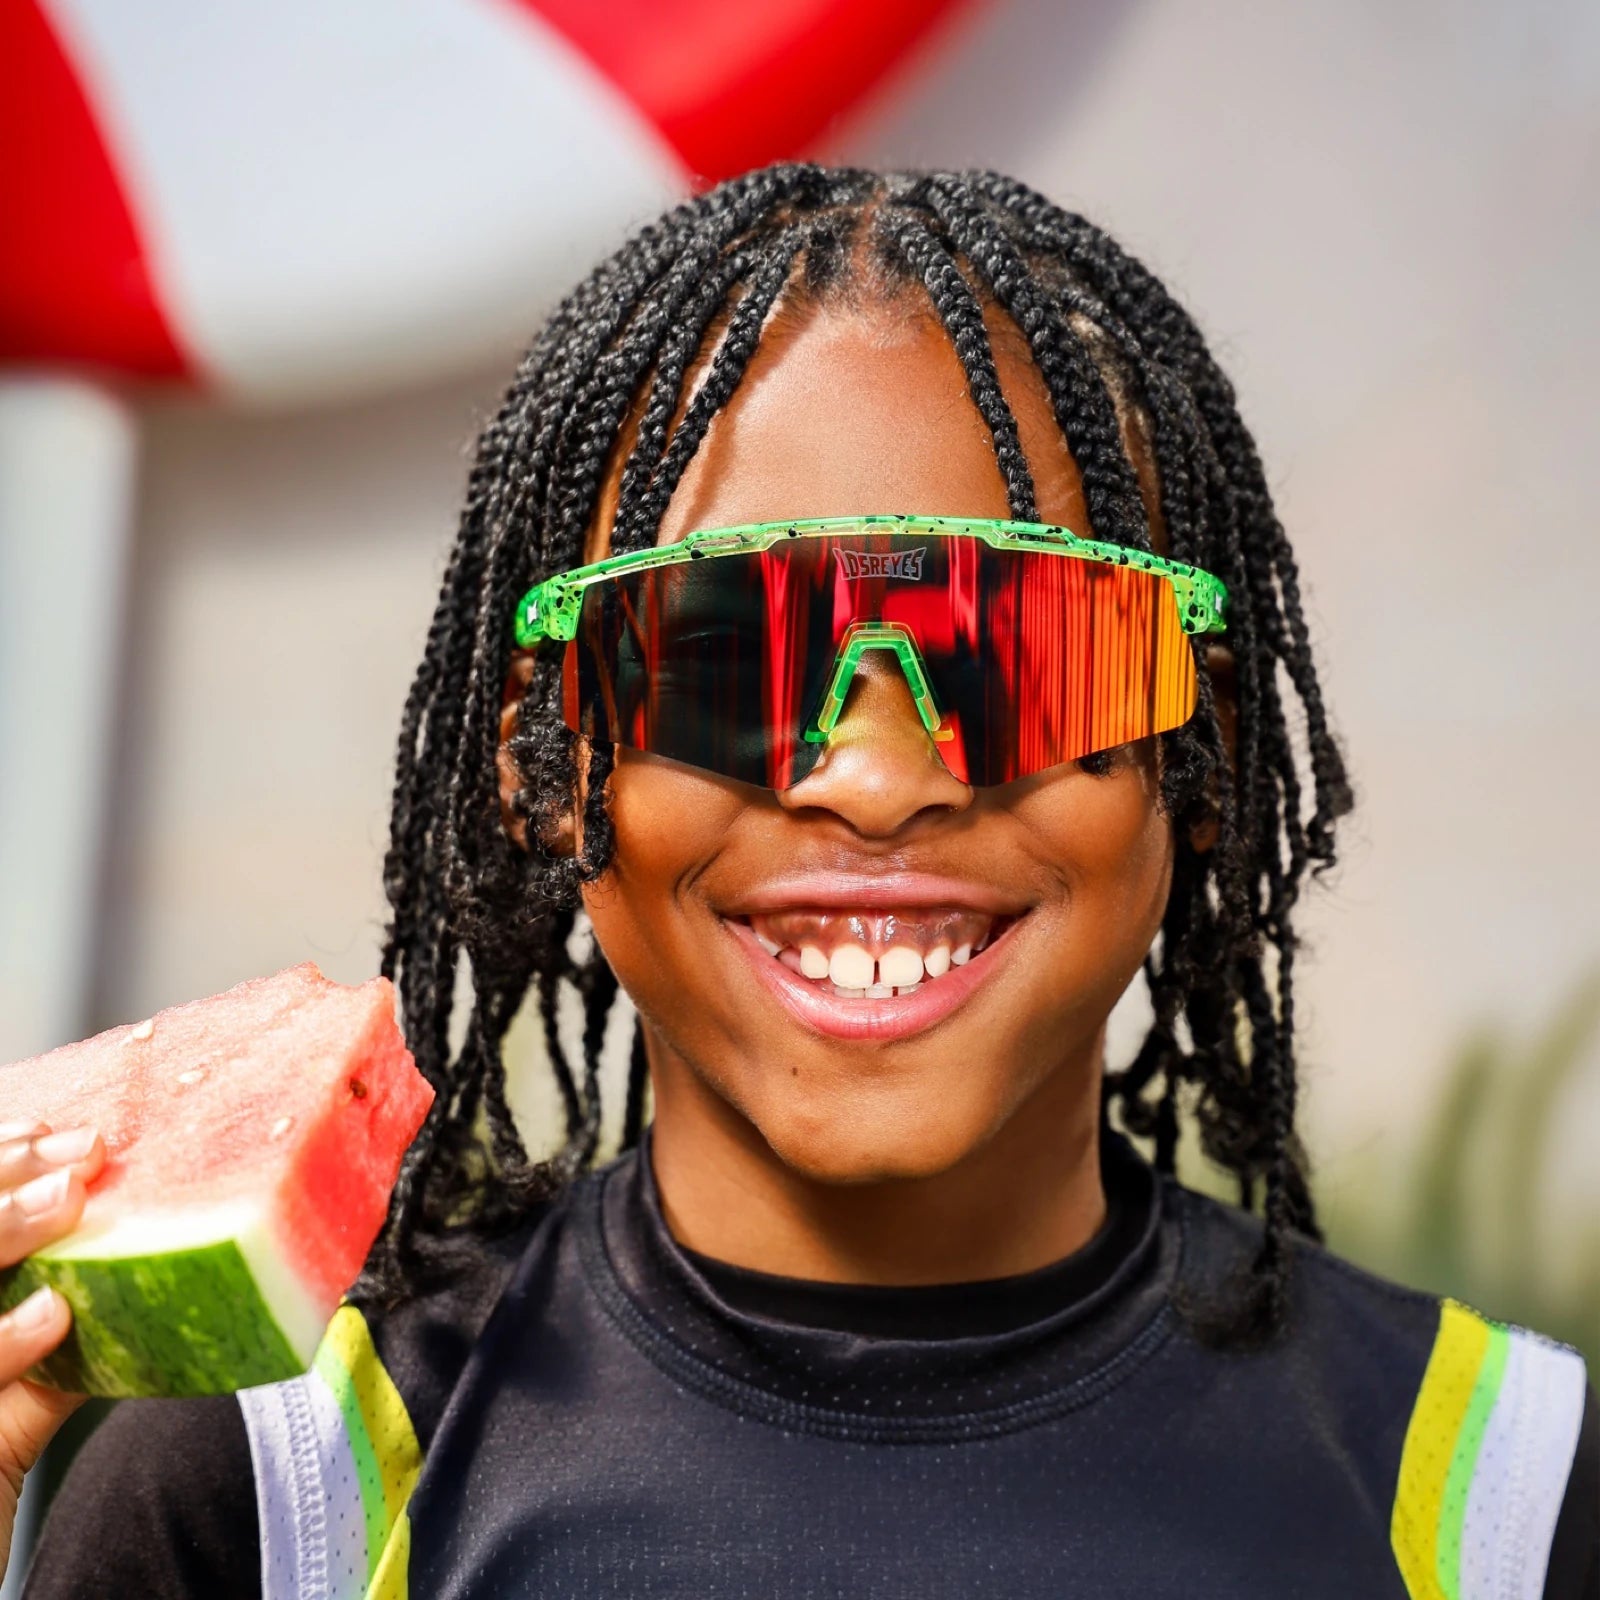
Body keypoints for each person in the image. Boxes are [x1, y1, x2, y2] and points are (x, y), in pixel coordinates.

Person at [5, 165, 1595, 1597]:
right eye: (721, 654)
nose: (880, 779)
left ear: (1201, 750)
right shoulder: (272, 1495)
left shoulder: (1506, 1498)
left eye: (1020, 652)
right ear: (552, 765)